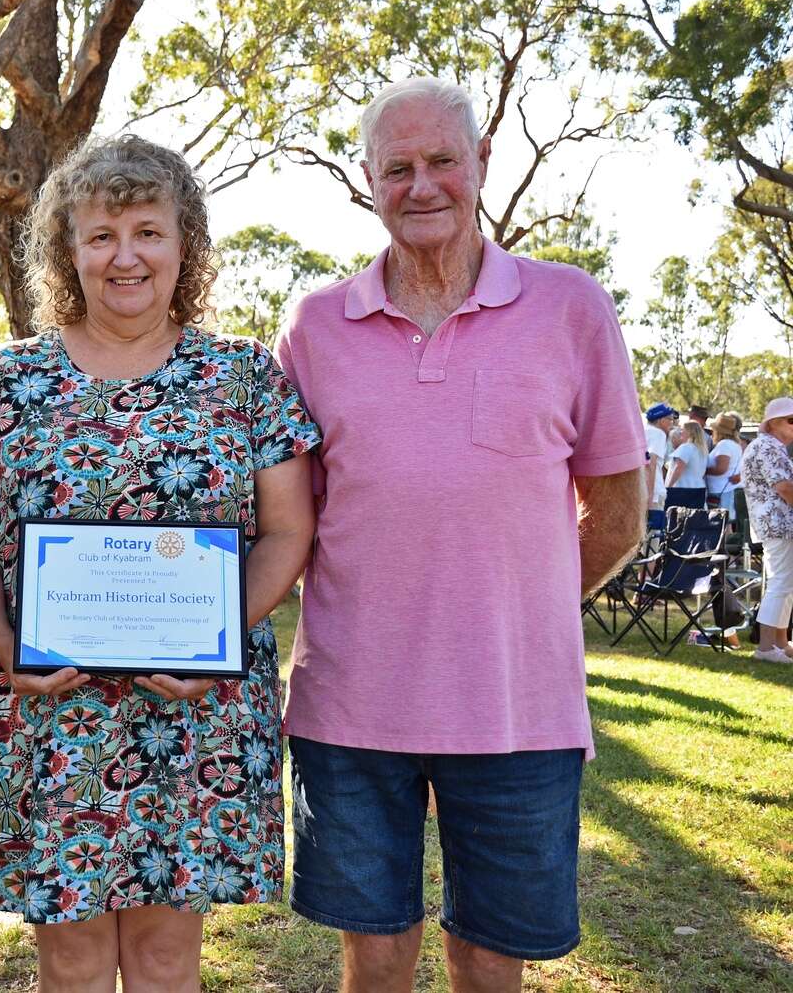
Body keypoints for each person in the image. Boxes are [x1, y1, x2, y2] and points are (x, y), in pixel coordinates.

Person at [273, 76, 647, 993]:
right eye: (396, 167)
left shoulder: (572, 308)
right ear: (367, 180)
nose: (422, 184)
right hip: (352, 707)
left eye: (443, 160)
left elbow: (619, 511)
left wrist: (524, 611)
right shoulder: (315, 326)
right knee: (374, 953)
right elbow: (284, 518)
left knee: (489, 961)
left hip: (520, 708)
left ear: (482, 164)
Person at [0, 133, 318, 991]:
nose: (125, 255)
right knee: (68, 961)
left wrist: (214, 637)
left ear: (185, 244)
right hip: (44, 713)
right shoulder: (8, 380)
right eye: (100, 234)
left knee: (162, 958)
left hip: (191, 719)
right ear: (66, 250)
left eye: (148, 231)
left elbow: (288, 531)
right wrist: (7, 645)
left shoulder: (244, 376)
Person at [741, 397, 793, 664]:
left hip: (776, 524)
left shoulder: (766, 446)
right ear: (773, 423)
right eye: (791, 420)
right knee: (781, 582)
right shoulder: (769, 447)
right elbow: (784, 487)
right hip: (778, 524)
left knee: (785, 583)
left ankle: (781, 644)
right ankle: (765, 647)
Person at [644, 403, 677, 527]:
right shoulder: (658, 434)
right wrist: (650, 497)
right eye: (670, 419)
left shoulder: (644, 430)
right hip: (654, 493)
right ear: (660, 420)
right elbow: (650, 463)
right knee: (653, 539)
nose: (672, 423)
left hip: (641, 489)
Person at [706, 412, 744, 518]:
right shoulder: (735, 445)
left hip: (721, 490)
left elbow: (721, 468)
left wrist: (703, 470)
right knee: (727, 521)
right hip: (728, 489)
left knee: (722, 521)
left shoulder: (724, 445)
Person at [664, 419, 709, 510]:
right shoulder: (702, 450)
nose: (681, 431)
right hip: (699, 488)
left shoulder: (686, 447)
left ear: (690, 432)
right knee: (694, 519)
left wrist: (668, 487)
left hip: (681, 489)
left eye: (683, 429)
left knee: (676, 519)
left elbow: (678, 468)